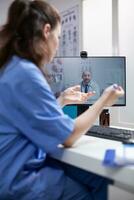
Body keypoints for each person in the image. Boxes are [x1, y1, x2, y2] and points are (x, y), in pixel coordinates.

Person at [0, 0, 124, 200]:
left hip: (7, 168)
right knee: (97, 186)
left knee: (96, 178)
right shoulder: (26, 73)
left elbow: (30, 119)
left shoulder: (11, 67)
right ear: (46, 31)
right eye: (58, 37)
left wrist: (62, 99)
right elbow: (68, 137)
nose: (58, 45)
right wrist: (103, 101)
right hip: (17, 180)